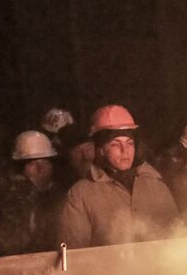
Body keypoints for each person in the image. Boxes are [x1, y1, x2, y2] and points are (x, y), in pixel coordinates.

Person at [58, 104, 178, 248]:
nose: (125, 151)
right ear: (101, 149)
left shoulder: (156, 186)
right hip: (107, 270)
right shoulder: (81, 194)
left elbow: (177, 239)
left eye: (130, 143)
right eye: (115, 144)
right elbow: (73, 255)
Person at [0, 130, 61, 255]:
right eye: (32, 163)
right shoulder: (9, 202)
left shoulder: (62, 197)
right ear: (19, 168)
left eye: (45, 162)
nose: (40, 168)